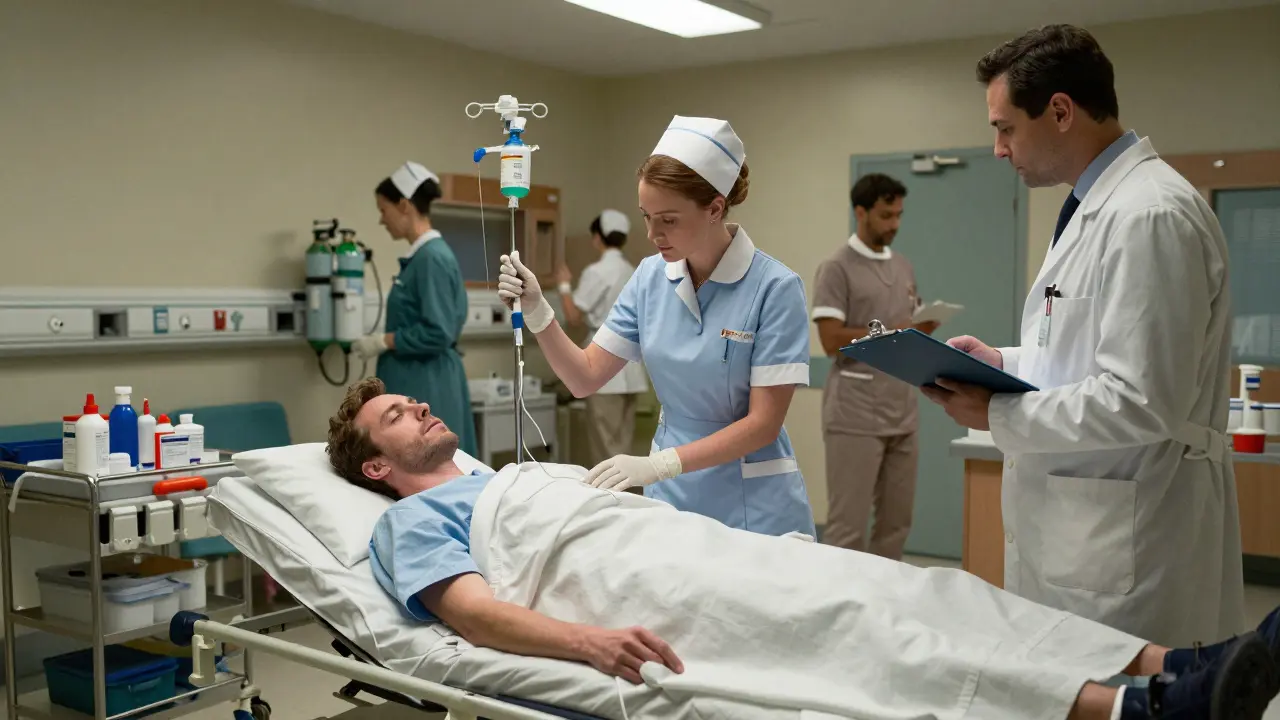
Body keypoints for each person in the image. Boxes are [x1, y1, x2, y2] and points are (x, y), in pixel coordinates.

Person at [325, 378, 1280, 720]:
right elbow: (467, 612)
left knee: (915, 589)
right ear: (375, 468)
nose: (420, 408)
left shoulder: (505, 477)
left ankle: (1174, 663)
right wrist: (588, 644)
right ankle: (1132, 710)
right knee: (858, 625)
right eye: (395, 416)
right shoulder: (410, 525)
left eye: (413, 399)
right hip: (633, 588)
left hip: (683, 543)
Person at [924, 24, 1245, 649]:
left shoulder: (1148, 214)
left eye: (1005, 127)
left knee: (1123, 691)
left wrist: (998, 411)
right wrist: (1002, 361)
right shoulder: (1096, 208)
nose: (997, 148)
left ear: (1061, 111)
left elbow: (1141, 398)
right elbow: (1085, 352)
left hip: (1134, 540)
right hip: (1088, 529)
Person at [496, 116, 815, 538]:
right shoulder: (651, 278)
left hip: (753, 503)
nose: (651, 233)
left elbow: (763, 425)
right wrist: (538, 312)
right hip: (675, 496)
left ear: (715, 208)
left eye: (668, 219)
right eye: (646, 217)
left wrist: (657, 465)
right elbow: (585, 376)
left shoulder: (774, 288)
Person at [811, 173, 938, 560]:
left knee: (896, 525)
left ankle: (888, 609)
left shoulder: (903, 266)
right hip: (855, 416)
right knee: (848, 528)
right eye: (886, 215)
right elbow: (831, 340)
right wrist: (895, 332)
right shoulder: (836, 267)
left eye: (899, 215)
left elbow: (911, 324)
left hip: (902, 413)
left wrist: (922, 328)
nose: (894, 224)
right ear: (860, 212)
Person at [353, 161, 478, 457]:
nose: (382, 220)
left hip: (428, 382)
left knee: (429, 466)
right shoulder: (422, 257)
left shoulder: (431, 259)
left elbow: (438, 332)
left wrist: (386, 341)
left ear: (404, 205)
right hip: (420, 379)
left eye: (384, 210)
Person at [553, 209, 649, 463]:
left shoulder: (597, 272)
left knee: (606, 451)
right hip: (631, 368)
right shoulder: (634, 270)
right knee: (623, 448)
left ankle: (613, 501)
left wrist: (563, 284)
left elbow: (574, 317)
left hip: (604, 367)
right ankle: (628, 500)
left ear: (597, 238)